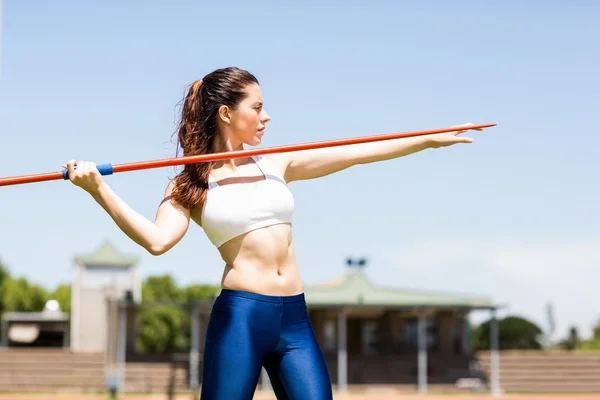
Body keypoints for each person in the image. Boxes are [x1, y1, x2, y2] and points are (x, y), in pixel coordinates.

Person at [63, 66, 482, 400]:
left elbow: (354, 153)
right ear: (227, 113)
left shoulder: (275, 163)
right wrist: (99, 188)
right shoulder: (189, 184)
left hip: (295, 319)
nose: (267, 117)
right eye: (257, 107)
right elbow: (156, 242)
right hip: (241, 317)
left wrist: (425, 140)